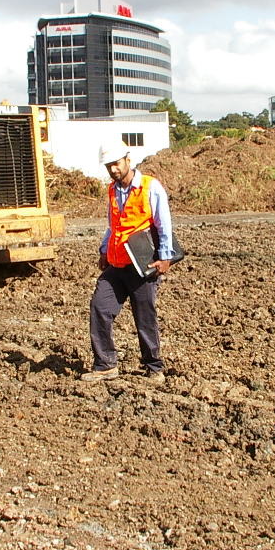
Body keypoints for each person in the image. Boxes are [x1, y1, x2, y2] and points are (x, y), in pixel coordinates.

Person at [83, 143, 176, 384]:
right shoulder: (112, 191)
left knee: (145, 315)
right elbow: (113, 225)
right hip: (117, 263)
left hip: (143, 263)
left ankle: (154, 367)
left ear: (127, 160)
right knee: (100, 307)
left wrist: (165, 256)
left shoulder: (150, 187)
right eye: (108, 166)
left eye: (116, 163)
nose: (113, 169)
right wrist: (104, 250)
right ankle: (105, 365)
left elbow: (163, 224)